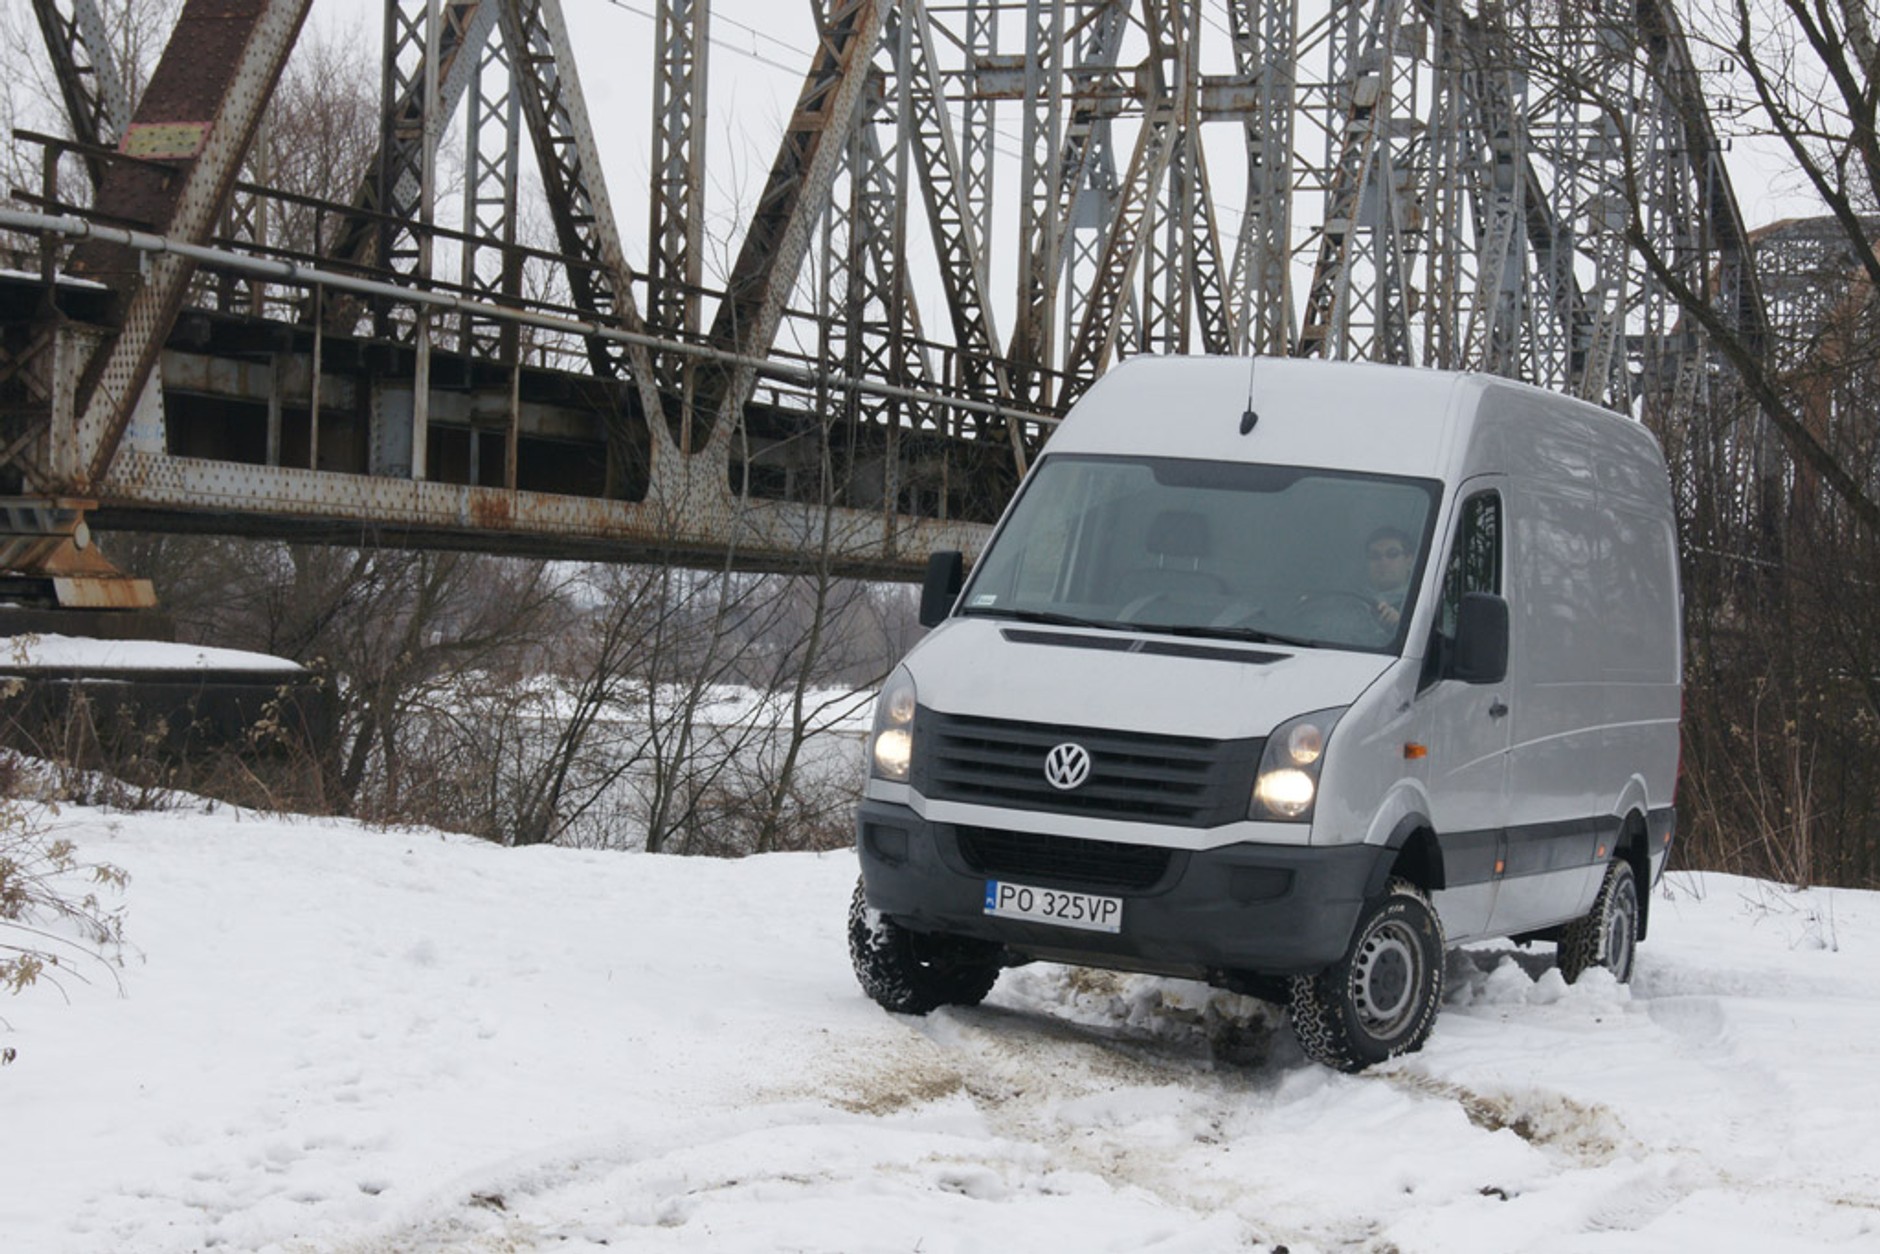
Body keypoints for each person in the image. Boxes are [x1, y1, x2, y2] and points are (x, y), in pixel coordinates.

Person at [1364, 526, 1415, 632]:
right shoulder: (1353, 605)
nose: (1383, 562)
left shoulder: (1422, 605)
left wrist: (1401, 626)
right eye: (1374, 556)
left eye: (1392, 554)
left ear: (1409, 561)